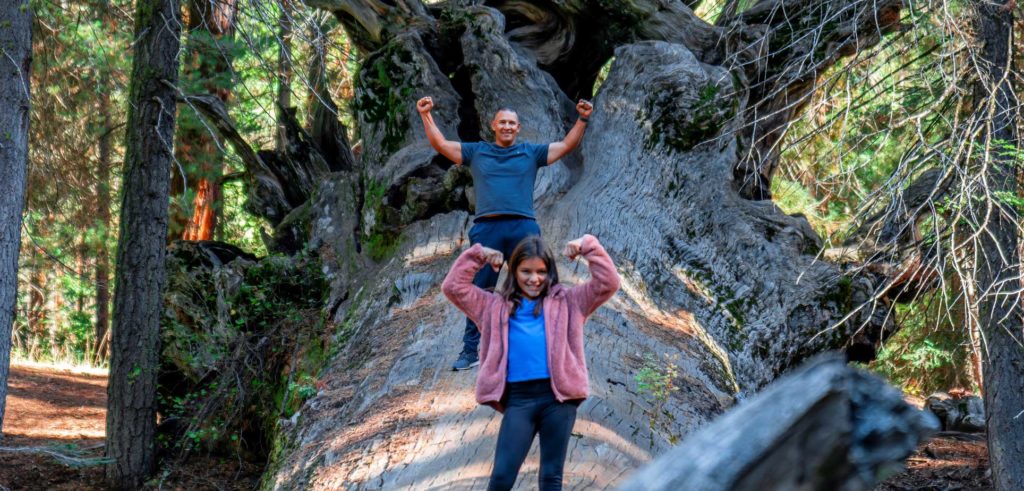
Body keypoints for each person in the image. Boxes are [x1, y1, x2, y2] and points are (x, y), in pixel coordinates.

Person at [417, 96, 595, 370]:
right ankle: (470, 351)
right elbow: (440, 145)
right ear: (494, 125)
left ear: (518, 127)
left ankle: (538, 346)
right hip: (487, 229)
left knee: (532, 285)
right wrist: (426, 114)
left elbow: (566, 145)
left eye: (512, 123)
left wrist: (582, 119)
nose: (507, 127)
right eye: (503, 122)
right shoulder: (477, 152)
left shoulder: (530, 153)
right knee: (479, 290)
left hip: (523, 227)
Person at [441, 234, 620, 490]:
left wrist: (587, 246)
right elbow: (453, 287)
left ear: (550, 272)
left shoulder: (570, 302)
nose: (534, 279)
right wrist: (478, 254)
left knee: (550, 477)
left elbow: (608, 282)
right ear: (513, 271)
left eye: (541, 272)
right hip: (519, 400)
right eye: (526, 271)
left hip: (558, 400)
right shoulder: (492, 307)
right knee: (502, 476)